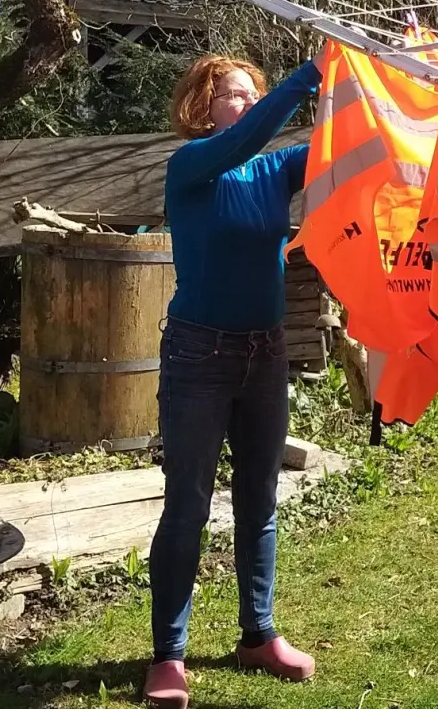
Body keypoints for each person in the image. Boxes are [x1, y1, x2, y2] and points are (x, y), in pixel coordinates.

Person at [143, 55, 322, 709]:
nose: (247, 105)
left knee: (259, 500)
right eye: (235, 96)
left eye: (253, 95)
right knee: (187, 506)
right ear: (204, 106)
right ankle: (168, 655)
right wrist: (305, 77)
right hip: (198, 357)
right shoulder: (190, 168)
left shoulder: (276, 169)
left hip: (264, 355)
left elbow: (343, 145)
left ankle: (258, 635)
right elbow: (246, 140)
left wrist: (373, 83)